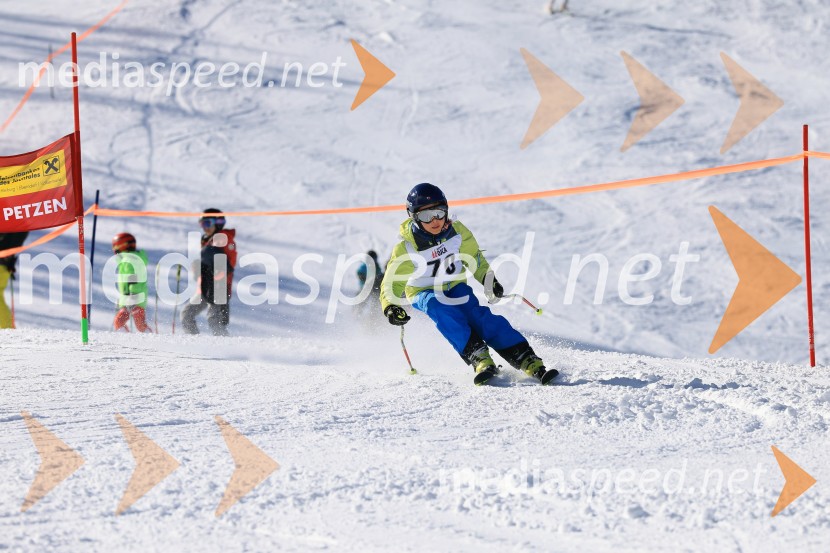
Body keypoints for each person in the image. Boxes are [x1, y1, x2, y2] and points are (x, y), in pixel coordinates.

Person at [379, 183, 557, 386]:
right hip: (423, 290)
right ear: (414, 217)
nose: (435, 221)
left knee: (478, 316)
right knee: (440, 308)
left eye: (439, 213)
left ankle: (525, 357)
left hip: (454, 285)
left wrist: (487, 279)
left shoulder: (456, 232)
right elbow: (392, 281)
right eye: (426, 216)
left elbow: (474, 257)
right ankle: (478, 356)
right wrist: (390, 306)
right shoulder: (407, 247)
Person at [181, 208, 237, 336]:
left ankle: (228, 349)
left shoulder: (224, 238)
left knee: (214, 321)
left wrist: (215, 269)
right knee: (186, 315)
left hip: (219, 288)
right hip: (204, 287)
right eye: (202, 224)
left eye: (207, 223)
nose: (204, 227)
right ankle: (197, 346)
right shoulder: (207, 240)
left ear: (218, 222)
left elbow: (229, 263)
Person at [112, 232, 152, 333]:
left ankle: (150, 339)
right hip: (129, 298)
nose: (114, 249)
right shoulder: (128, 259)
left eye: (115, 246)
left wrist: (132, 295)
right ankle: (126, 340)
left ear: (122, 245)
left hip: (134, 297)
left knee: (131, 322)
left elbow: (133, 277)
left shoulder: (131, 259)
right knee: (123, 321)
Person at [0, 232, 29, 329]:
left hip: (2, 263)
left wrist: (9, 256)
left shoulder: (14, 222)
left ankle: (7, 329)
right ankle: (7, 328)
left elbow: (18, 236)